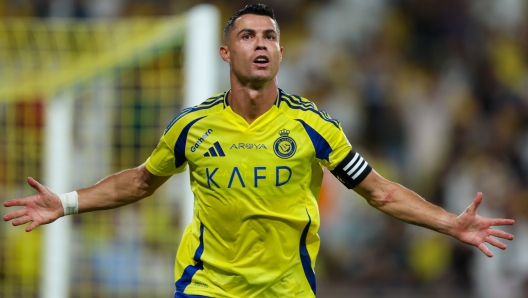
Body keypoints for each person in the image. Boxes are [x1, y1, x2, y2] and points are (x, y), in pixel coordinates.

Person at [3, 4, 515, 298]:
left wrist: (451, 223)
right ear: (227, 53)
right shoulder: (191, 127)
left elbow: (379, 193)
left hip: (286, 291)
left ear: (281, 52)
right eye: (248, 35)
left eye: (269, 35)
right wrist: (66, 202)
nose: (261, 43)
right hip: (207, 286)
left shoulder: (314, 127)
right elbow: (139, 181)